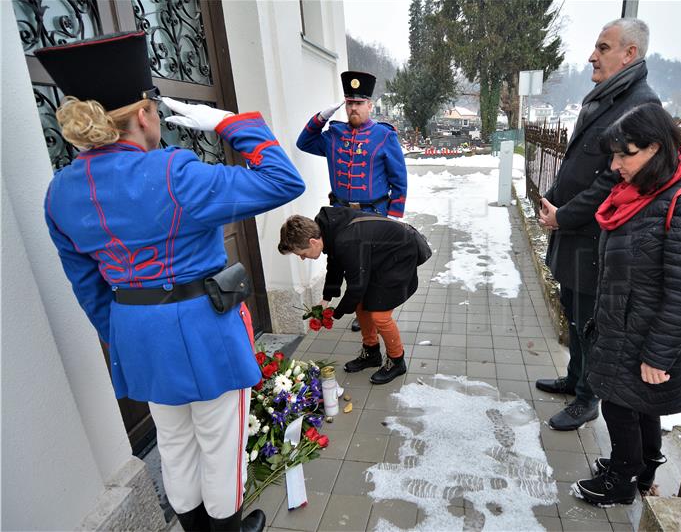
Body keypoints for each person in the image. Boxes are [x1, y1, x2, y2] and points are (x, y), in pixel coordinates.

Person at [35, 31, 305, 532]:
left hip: (137, 337)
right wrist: (230, 123)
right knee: (220, 448)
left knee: (175, 446)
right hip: (203, 333)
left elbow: (87, 286)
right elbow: (284, 180)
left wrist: (123, 334)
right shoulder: (174, 173)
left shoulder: (60, 193)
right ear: (144, 115)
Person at [571, 103, 681, 505]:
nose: (616, 164)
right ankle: (641, 466)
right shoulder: (644, 190)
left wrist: (658, 355)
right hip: (628, 323)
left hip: (653, 334)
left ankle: (622, 481)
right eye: (615, 154)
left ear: (656, 149)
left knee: (621, 407)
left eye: (626, 153)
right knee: (637, 406)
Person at [536, 18, 661, 431]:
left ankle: (587, 399)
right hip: (578, 233)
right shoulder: (607, 97)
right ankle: (575, 379)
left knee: (589, 322)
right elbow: (578, 162)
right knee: (573, 312)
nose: (592, 55)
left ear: (630, 54)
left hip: (599, 238)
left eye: (603, 48)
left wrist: (563, 214)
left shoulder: (639, 105)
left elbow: (611, 181)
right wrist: (554, 197)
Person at [296, 70, 408, 333]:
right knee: (347, 263)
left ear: (369, 105)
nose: (354, 108)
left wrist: (393, 216)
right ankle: (357, 303)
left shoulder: (384, 136)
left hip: (373, 212)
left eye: (359, 103)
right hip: (340, 212)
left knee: (373, 264)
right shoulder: (333, 136)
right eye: (350, 103)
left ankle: (368, 308)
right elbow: (304, 142)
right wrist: (321, 118)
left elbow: (399, 179)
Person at [278, 207, 419, 385]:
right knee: (361, 304)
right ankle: (371, 353)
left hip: (399, 256)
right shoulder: (326, 229)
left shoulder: (347, 240)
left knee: (380, 316)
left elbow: (356, 286)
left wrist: (335, 314)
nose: (303, 258)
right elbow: (335, 264)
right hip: (377, 254)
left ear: (313, 242)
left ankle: (397, 361)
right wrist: (326, 299)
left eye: (302, 254)